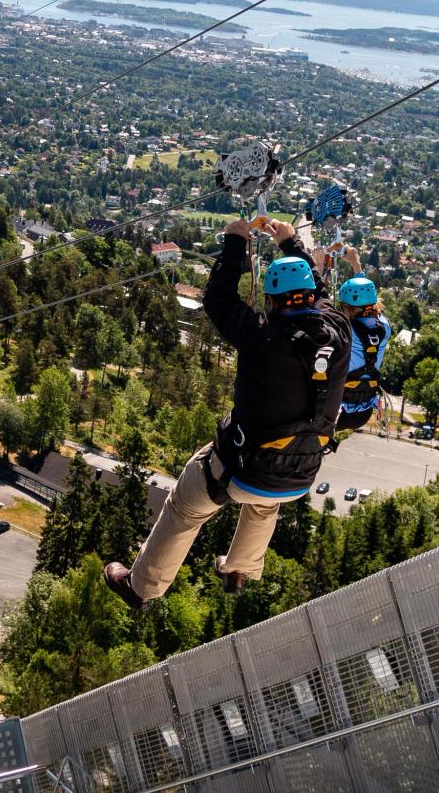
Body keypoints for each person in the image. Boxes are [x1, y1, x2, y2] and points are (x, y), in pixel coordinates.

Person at [106, 217, 349, 605]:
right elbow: (318, 294)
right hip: (300, 472)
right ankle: (240, 569)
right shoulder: (338, 330)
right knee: (264, 503)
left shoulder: (261, 334)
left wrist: (236, 239)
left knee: (185, 506)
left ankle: (141, 587)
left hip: (243, 466)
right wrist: (290, 244)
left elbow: (218, 298)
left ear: (270, 300)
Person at [331, 259, 391, 440]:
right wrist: (357, 265)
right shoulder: (385, 327)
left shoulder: (344, 330)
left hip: (336, 411)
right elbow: (369, 297)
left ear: (347, 308)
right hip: (363, 413)